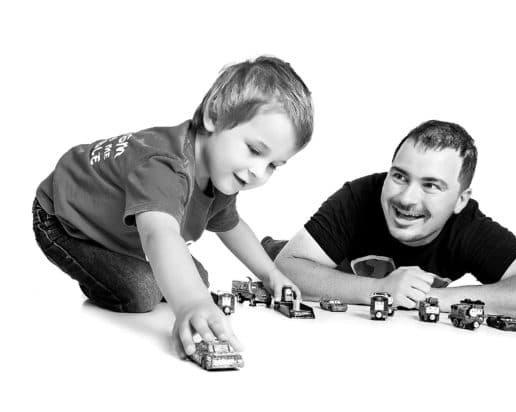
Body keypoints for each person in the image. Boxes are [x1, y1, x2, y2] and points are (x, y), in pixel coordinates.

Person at [33, 56, 313, 358]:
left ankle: (136, 263)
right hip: (64, 220)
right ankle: (102, 273)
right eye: (255, 150)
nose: (258, 171)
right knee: (144, 292)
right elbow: (159, 235)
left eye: (273, 165)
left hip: (120, 226)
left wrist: (271, 274)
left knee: (198, 281)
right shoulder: (165, 167)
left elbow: (232, 226)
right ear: (214, 116)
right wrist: (191, 303)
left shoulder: (221, 175)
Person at [269, 120, 516, 316]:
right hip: (292, 258)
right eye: (399, 176)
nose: (407, 198)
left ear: (460, 200)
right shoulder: (360, 196)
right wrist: (381, 290)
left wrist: (430, 298)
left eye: (431, 186)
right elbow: (286, 267)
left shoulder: (468, 228)